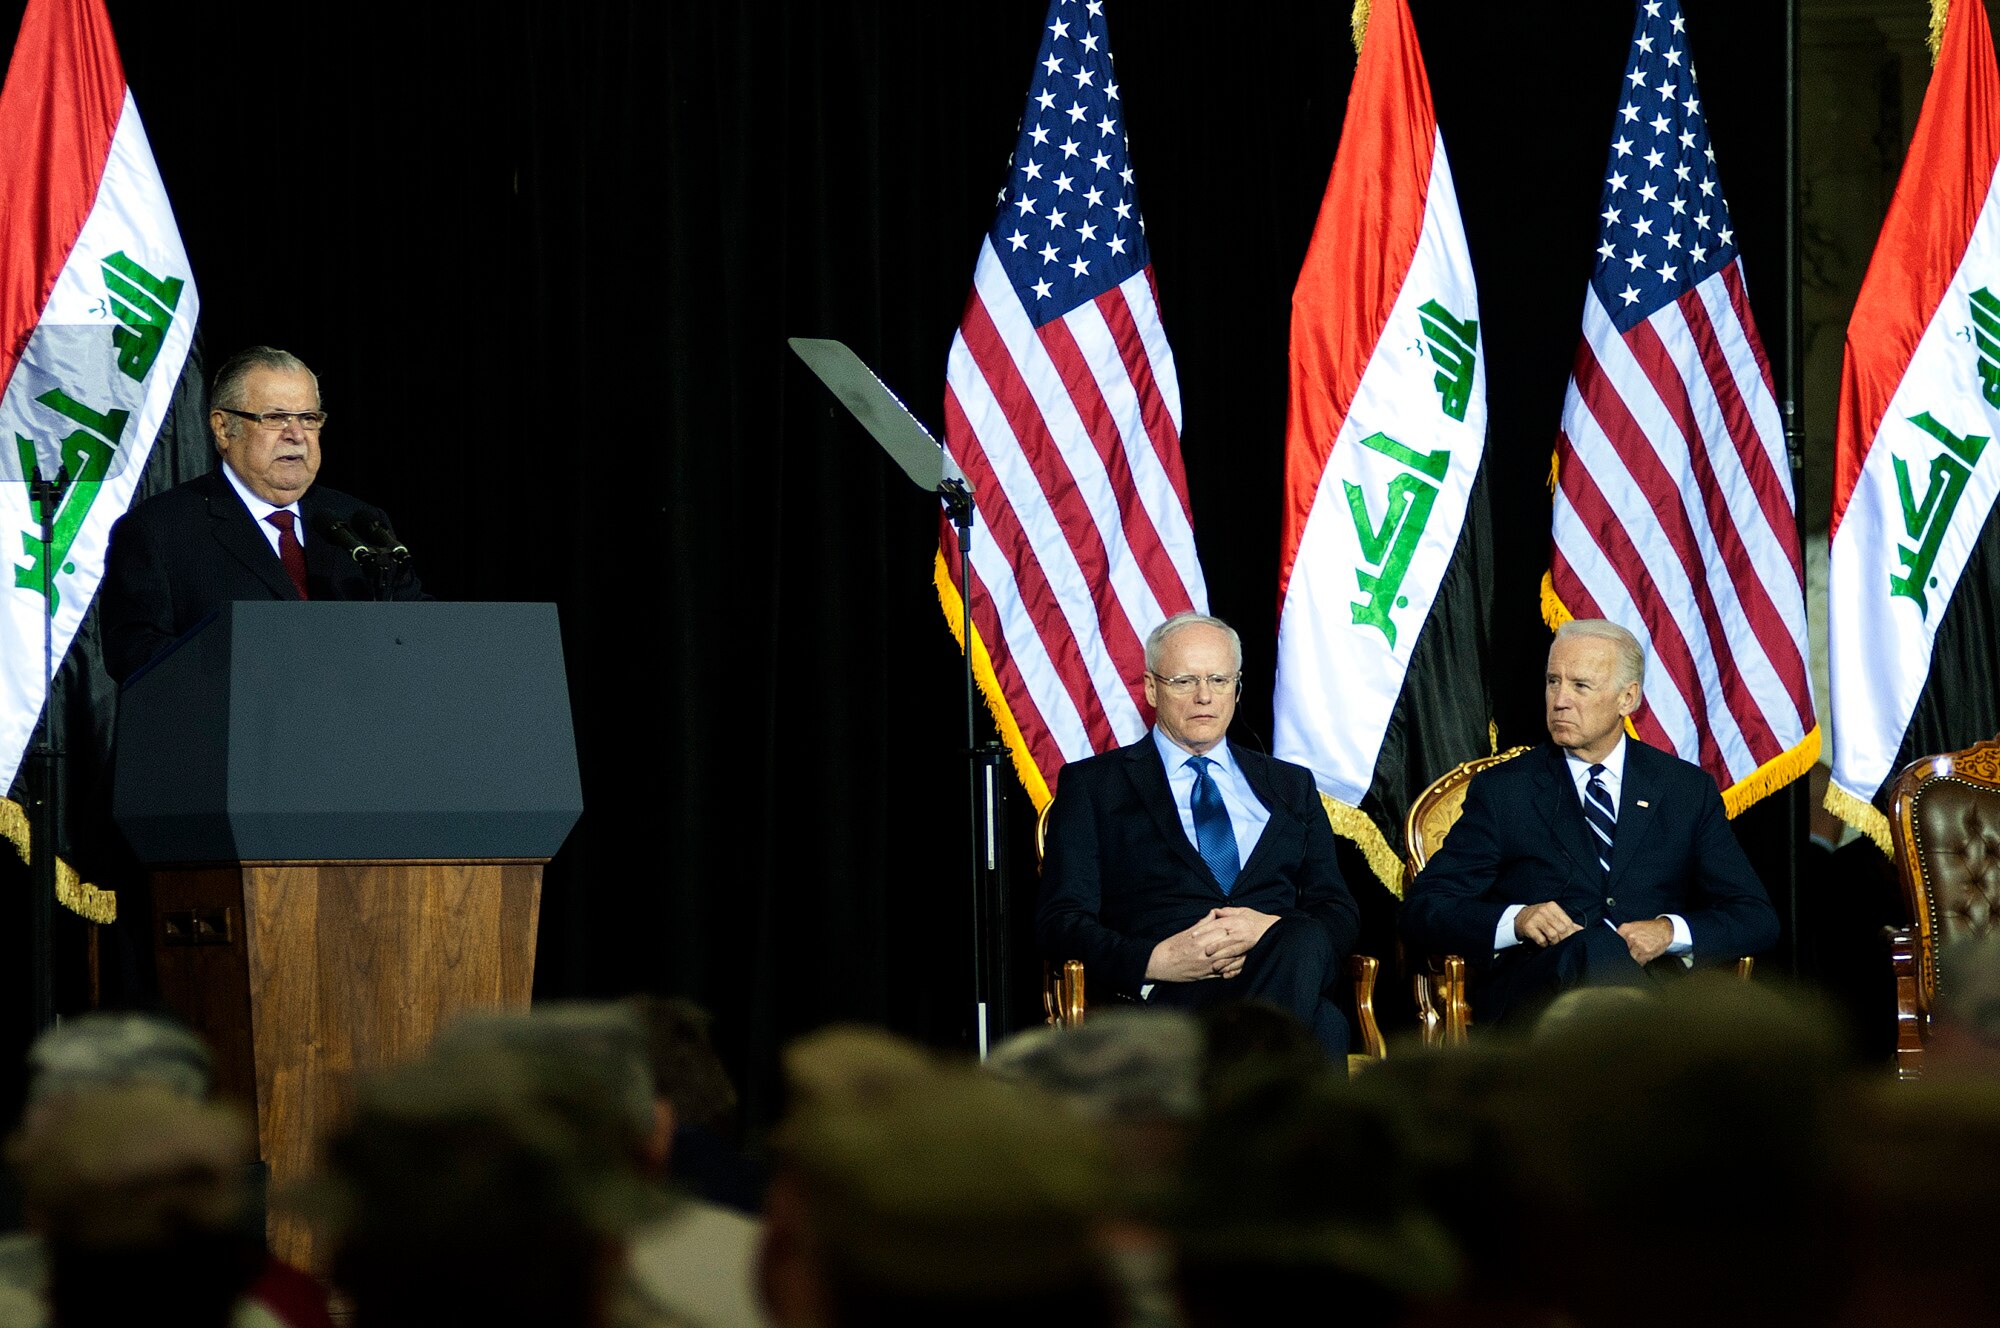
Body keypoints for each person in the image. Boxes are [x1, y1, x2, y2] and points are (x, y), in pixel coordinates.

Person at [1400, 618, 1779, 1025]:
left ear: (1627, 698)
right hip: (1539, 997)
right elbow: (1425, 909)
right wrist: (1518, 919)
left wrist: (1668, 932)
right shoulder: (1506, 791)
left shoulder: (1684, 791)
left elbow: (1755, 916)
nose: (1560, 700)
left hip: (1655, 993)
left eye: (1580, 685)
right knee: (1593, 946)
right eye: (1552, 682)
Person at [1036, 612, 1361, 1057]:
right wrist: (1155, 960)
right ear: (1152, 688)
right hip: (1170, 999)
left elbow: (1337, 908)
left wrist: (1268, 930)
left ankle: (1230, 1102)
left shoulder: (1290, 785)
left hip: (1282, 972)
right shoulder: (1094, 786)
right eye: (1185, 681)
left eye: (1219, 680)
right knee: (1323, 1024)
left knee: (1301, 939)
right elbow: (1061, 922)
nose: (1204, 696)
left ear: (1238, 687)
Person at [98, 346, 424, 683]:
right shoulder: (159, 529)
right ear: (223, 428)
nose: (296, 435)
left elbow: (419, 631)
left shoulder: (360, 523)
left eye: (308, 419)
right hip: (230, 725)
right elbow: (134, 653)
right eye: (275, 417)